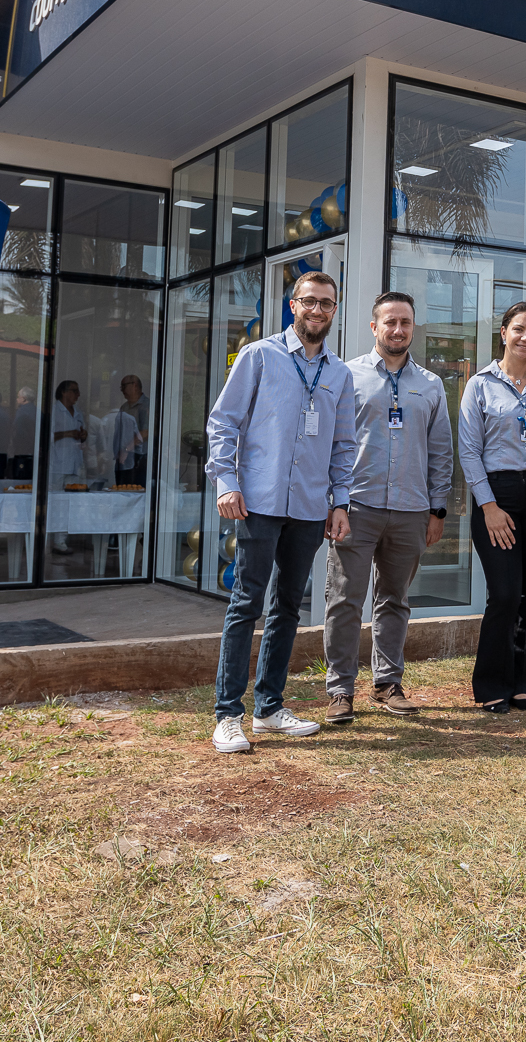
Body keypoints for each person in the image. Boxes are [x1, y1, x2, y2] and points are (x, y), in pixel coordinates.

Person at [205, 270, 356, 754]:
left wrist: (339, 502)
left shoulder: (339, 374)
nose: (317, 311)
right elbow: (223, 423)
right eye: (308, 302)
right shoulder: (259, 356)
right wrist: (226, 482)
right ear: (293, 306)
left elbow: (343, 446)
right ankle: (228, 715)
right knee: (246, 603)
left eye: (326, 304)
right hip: (260, 502)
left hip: (311, 509)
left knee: (287, 607)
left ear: (334, 310)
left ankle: (269, 707)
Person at [323, 292, 453, 724]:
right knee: (344, 600)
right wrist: (334, 501)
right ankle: (340, 690)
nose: (399, 330)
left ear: (413, 328)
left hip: (412, 510)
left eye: (406, 323)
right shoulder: (346, 376)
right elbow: (333, 444)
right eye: (390, 322)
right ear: (374, 326)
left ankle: (387, 683)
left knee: (395, 599)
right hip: (356, 506)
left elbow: (441, 452)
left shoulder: (430, 385)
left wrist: (438, 509)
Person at [460, 301, 526, 714]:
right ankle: (490, 685)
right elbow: (469, 451)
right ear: (503, 333)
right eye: (519, 329)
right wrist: (488, 505)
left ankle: (522, 684)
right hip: (497, 496)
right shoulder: (480, 385)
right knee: (504, 593)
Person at [48, 380, 88, 554]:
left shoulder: (78, 413)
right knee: (55, 503)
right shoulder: (53, 411)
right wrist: (67, 434)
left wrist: (82, 435)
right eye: (74, 391)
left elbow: (81, 436)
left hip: (74, 463)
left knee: (70, 505)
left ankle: (62, 540)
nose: (78, 395)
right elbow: (45, 436)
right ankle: (51, 540)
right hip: (57, 464)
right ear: (64, 392)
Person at [115, 375, 149, 487]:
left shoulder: (146, 406)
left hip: (140, 459)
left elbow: (146, 432)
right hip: (124, 459)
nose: (122, 390)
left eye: (124, 386)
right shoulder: (124, 407)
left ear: (134, 385)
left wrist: (126, 449)